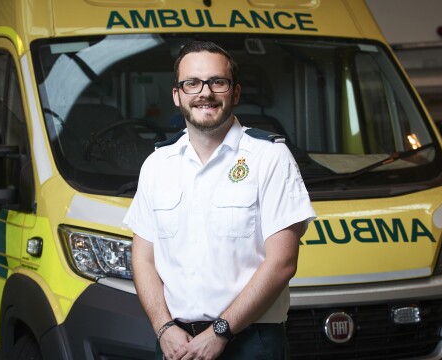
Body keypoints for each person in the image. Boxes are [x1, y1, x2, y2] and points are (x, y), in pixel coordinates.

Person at [123, 41, 316, 360]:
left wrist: (221, 331)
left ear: (235, 93)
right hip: (176, 341)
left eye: (218, 82)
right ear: (177, 95)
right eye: (192, 83)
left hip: (251, 341)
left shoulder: (269, 157)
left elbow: (282, 262)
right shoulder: (158, 164)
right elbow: (143, 259)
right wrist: (163, 327)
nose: (205, 93)